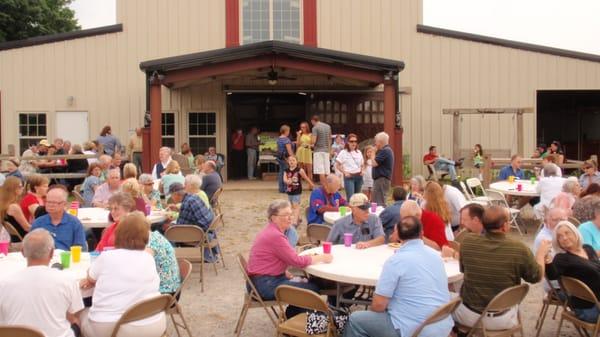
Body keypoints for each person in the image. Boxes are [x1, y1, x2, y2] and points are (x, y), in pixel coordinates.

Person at [343, 216, 453, 337]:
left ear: (398, 236)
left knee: (355, 320)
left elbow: (378, 305)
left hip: (412, 329)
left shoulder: (396, 261)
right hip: (442, 325)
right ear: (422, 233)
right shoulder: (436, 256)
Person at [453, 205, 550, 330]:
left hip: (468, 316)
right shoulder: (519, 248)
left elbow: (464, 271)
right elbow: (536, 277)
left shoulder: (468, 241)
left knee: (442, 299)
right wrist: (541, 254)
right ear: (505, 226)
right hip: (502, 319)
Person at [80, 212, 166, 337]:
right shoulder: (148, 258)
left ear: (118, 233)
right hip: (153, 325)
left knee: (77, 313)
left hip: (113, 328)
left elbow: (91, 277)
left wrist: (91, 279)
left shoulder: (107, 257)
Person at [246, 199, 333, 317]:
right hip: (264, 285)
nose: (290, 217)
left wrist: (282, 271)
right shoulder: (275, 236)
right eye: (285, 215)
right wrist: (322, 257)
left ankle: (293, 315)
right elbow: (297, 261)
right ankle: (293, 317)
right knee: (312, 288)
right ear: (274, 218)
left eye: (291, 214)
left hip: (259, 281)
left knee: (308, 283)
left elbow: (273, 258)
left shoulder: (272, 231)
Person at [0, 229, 84, 337]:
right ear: (52, 253)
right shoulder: (67, 280)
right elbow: (75, 313)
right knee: (76, 321)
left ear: (22, 252)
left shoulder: (4, 283)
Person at [546, 221, 600, 323]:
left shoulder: (588, 248)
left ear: (575, 233)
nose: (564, 238)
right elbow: (552, 275)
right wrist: (547, 260)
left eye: (567, 233)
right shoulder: (562, 258)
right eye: (560, 236)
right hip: (588, 308)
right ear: (557, 241)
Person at [31, 186, 87, 251]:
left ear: (64, 204)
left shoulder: (74, 223)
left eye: (54, 203)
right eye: (48, 202)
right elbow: (31, 247)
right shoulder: (38, 223)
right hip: (44, 259)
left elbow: (80, 249)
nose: (50, 205)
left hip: (66, 259)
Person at [283, 156, 314, 227]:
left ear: (297, 162)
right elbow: (284, 179)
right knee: (291, 205)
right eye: (290, 160)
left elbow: (306, 178)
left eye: (293, 160)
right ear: (288, 162)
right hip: (289, 190)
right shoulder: (286, 170)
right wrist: (287, 181)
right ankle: (298, 218)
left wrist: (311, 184)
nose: (291, 162)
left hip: (297, 190)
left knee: (295, 206)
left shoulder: (300, 170)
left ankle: (294, 222)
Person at [336, 133, 364, 200]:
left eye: (355, 141)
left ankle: (357, 210)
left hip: (359, 176)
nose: (353, 143)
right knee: (351, 198)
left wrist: (363, 170)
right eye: (351, 141)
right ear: (348, 142)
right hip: (349, 177)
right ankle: (351, 210)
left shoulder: (359, 152)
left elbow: (362, 164)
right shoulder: (343, 152)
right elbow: (337, 165)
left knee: (357, 199)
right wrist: (344, 172)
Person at [370, 132, 394, 206]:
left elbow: (374, 163)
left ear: (380, 142)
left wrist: (373, 153)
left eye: (376, 141)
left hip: (381, 180)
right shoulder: (386, 150)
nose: (375, 144)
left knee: (379, 202)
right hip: (381, 180)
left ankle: (380, 217)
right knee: (378, 201)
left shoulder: (385, 150)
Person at [310, 115, 332, 183]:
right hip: (326, 151)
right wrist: (329, 150)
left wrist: (310, 141)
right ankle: (328, 185)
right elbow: (330, 139)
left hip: (318, 151)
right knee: (327, 170)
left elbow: (313, 141)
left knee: (321, 170)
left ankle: (323, 186)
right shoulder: (328, 126)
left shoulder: (315, 128)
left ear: (313, 121)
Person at [276, 124, 294, 193]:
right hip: (286, 158)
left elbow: (278, 149)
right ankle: (286, 188)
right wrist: (293, 158)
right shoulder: (286, 140)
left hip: (280, 158)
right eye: (288, 130)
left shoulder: (279, 139)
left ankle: (281, 188)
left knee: (281, 173)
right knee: (286, 173)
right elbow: (289, 151)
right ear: (286, 131)